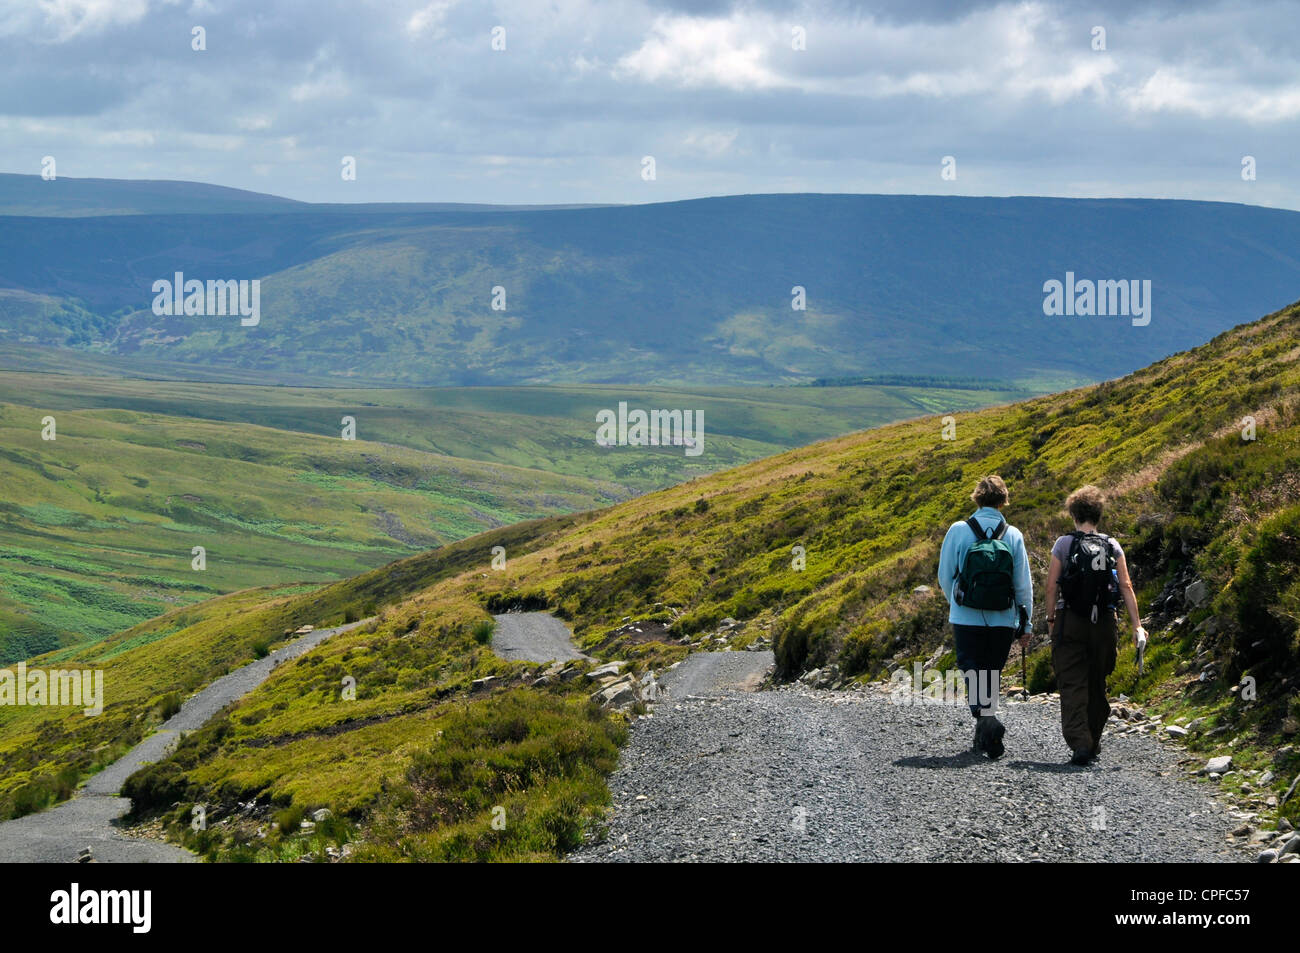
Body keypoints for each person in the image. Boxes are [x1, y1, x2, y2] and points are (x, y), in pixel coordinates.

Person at [1044, 485, 1147, 766]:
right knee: (1097, 682)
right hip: (1103, 621)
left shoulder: (1064, 545)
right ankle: (1094, 738)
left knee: (1072, 682)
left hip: (1070, 621)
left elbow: (1052, 586)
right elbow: (1125, 585)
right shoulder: (1112, 545)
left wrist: (1051, 619)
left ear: (1074, 515)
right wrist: (1137, 625)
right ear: (1098, 514)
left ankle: (1080, 743)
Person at [937, 475, 1034, 759]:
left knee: (972, 669)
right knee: (991, 672)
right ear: (1004, 500)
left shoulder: (959, 530)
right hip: (1003, 618)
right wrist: (1025, 622)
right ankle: (986, 731)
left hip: (966, 617)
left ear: (976, 498)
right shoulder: (1013, 534)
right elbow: (1023, 584)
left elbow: (945, 575)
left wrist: (957, 603)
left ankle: (987, 721)